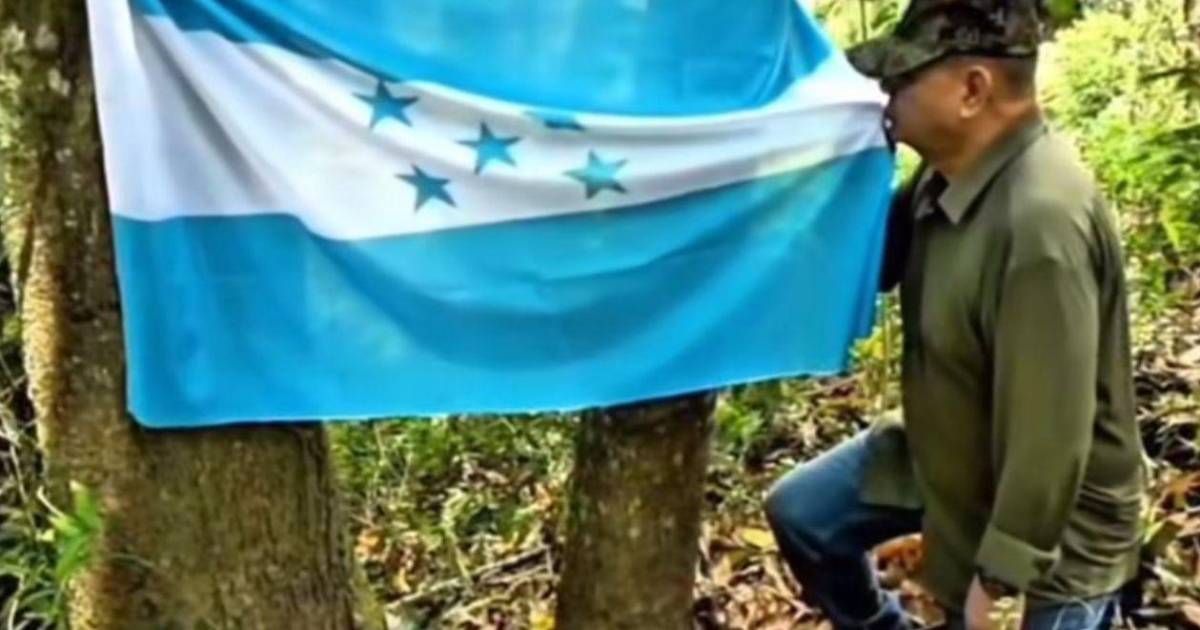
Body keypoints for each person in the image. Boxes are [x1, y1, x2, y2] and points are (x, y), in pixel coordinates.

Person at [764, 1, 1147, 629]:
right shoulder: (948, 177)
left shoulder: (1041, 224)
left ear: (972, 90)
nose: (885, 94)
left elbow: (1049, 440)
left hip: (1051, 527)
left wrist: (997, 581)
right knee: (806, 514)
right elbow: (868, 262)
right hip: (950, 447)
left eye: (902, 81)